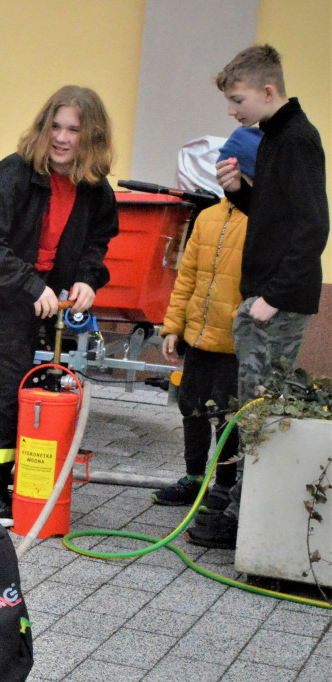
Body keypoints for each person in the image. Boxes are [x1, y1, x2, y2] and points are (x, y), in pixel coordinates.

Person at [0, 85, 119, 521]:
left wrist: (87, 279)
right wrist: (30, 285)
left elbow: (97, 243)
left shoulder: (94, 189)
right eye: (55, 127)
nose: (61, 138)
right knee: (3, 387)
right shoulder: (13, 174)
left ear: (92, 137)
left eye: (73, 130)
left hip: (34, 292)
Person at [188, 44, 329, 549]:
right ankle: (244, 512)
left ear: (268, 90)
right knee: (252, 407)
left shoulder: (296, 140)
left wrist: (272, 296)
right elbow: (276, 217)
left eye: (238, 99)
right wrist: (237, 193)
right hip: (267, 297)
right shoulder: (272, 138)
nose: (232, 111)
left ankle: (247, 520)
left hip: (276, 302)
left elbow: (314, 227)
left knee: (259, 412)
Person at [153, 127, 262, 511]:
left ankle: (223, 486)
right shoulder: (208, 217)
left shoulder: (260, 220)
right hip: (198, 336)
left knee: (228, 416)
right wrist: (173, 326)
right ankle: (194, 478)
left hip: (235, 342)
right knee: (192, 407)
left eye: (231, 170)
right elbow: (187, 276)